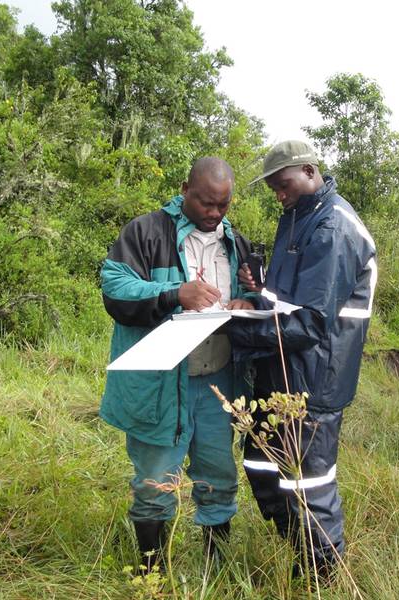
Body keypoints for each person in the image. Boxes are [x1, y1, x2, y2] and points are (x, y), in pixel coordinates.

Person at [229, 140, 377, 580]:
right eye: (273, 187)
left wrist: (226, 327)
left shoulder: (333, 227)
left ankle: (323, 576)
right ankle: (297, 551)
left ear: (310, 171)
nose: (278, 193)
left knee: (308, 484)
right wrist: (255, 295)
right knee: (260, 463)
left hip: (313, 383)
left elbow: (310, 323)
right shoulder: (297, 218)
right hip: (277, 373)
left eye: (283, 184)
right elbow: (284, 302)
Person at [99, 157, 254, 572]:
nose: (214, 213)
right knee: (154, 481)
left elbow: (253, 291)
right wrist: (175, 293)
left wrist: (246, 300)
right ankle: (153, 574)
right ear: (185, 189)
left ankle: (215, 569)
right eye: (205, 203)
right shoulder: (146, 231)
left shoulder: (236, 242)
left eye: (223, 205)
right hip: (161, 383)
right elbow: (115, 287)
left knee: (219, 476)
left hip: (217, 382)